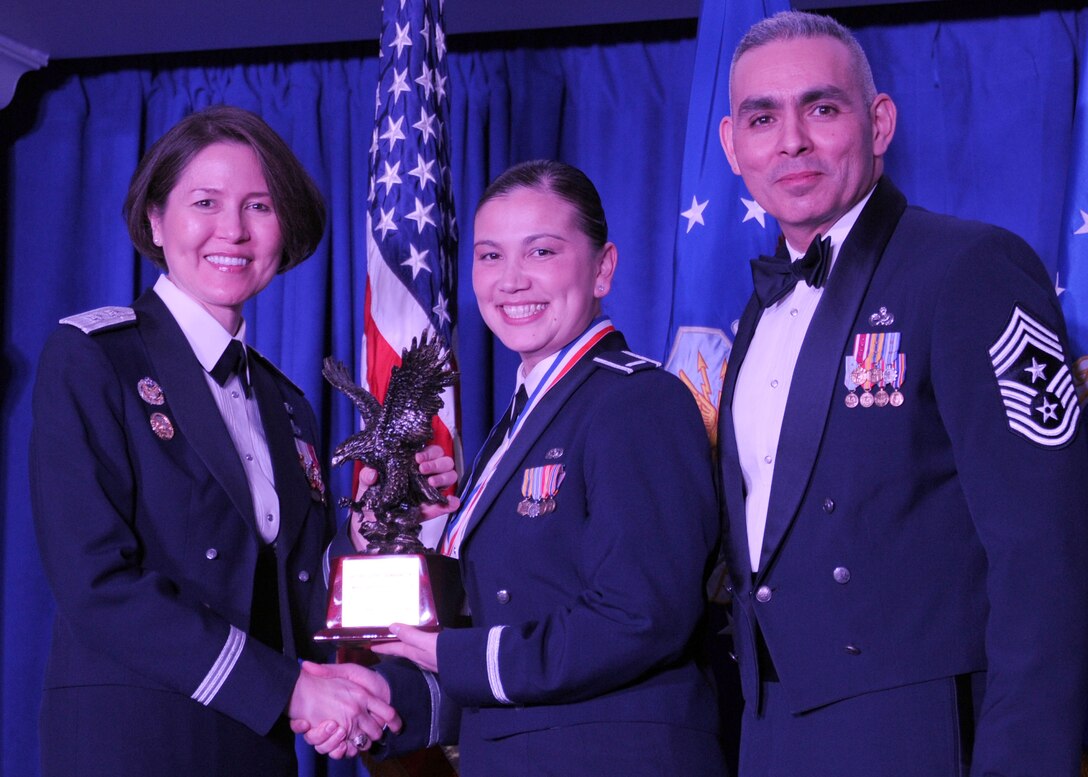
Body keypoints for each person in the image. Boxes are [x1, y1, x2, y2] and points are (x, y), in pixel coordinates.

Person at [29, 105, 456, 776]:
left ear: (284, 232)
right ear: (154, 219)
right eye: (206, 202)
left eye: (259, 206)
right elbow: (96, 584)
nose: (232, 230)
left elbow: (302, 604)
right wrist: (290, 688)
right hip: (133, 743)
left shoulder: (285, 403)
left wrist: (371, 530)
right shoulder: (94, 358)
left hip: (255, 748)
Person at [714, 11, 1088, 777]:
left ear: (879, 122)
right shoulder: (756, 314)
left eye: (821, 108)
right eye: (762, 117)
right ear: (732, 146)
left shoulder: (970, 269)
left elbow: (1048, 549)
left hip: (920, 727)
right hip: (771, 730)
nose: (791, 140)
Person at [297, 160, 728, 775]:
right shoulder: (524, 420)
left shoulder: (637, 401)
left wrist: (455, 656)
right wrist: (387, 702)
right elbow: (504, 633)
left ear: (603, 267)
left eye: (542, 251)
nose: (512, 281)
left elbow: (640, 618)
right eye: (490, 256)